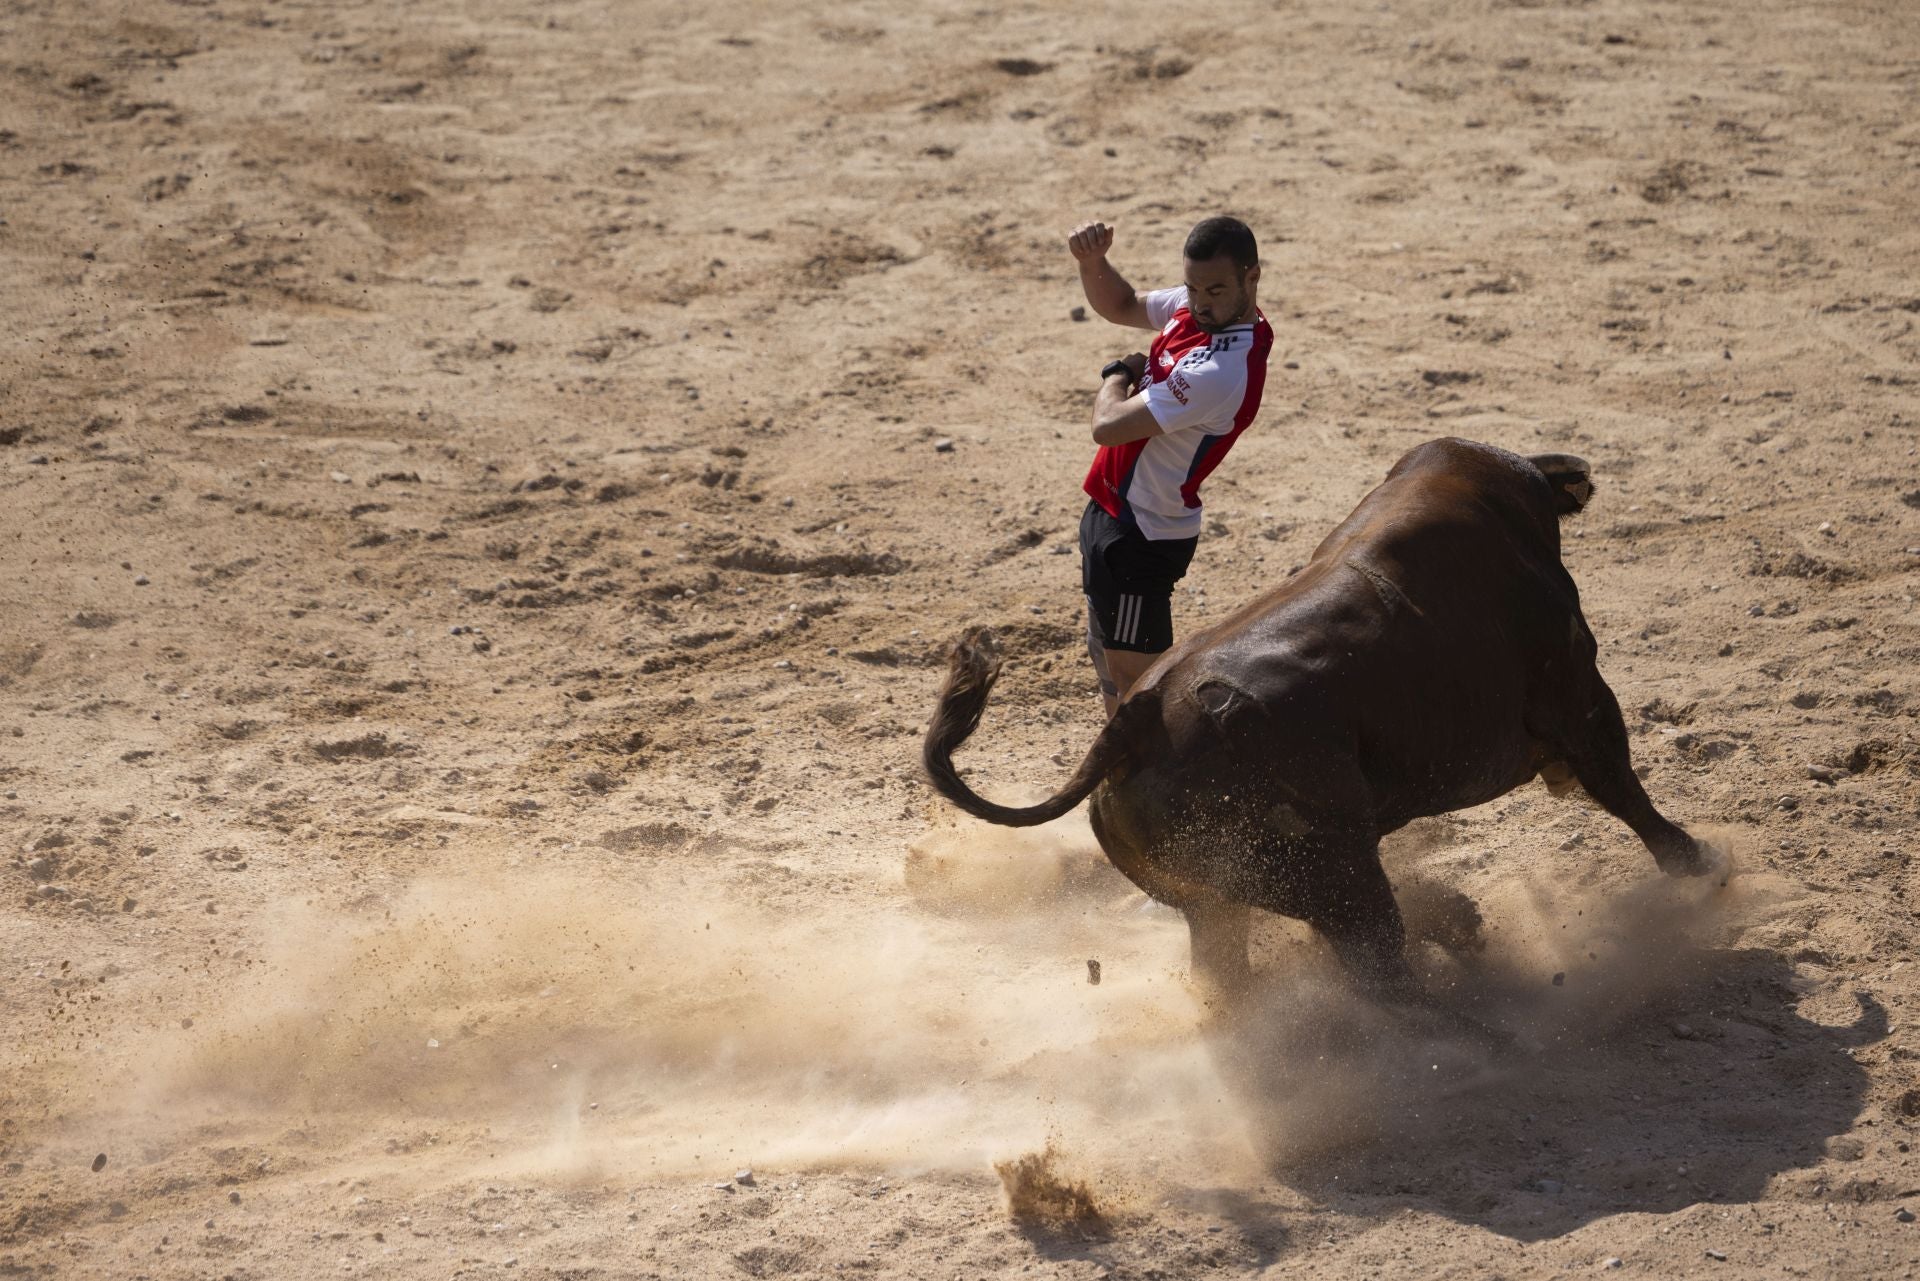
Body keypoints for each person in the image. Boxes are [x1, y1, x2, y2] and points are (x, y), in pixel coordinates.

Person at [1066, 215, 1272, 717]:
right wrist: (1093, 263)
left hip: (1144, 534)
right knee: (1111, 666)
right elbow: (1121, 304)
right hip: (1114, 509)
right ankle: (1120, 781)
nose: (1200, 301)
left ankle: (1163, 787)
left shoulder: (1220, 370)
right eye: (1193, 286)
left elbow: (1108, 425)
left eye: (1216, 289)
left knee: (1146, 691)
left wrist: (1119, 372)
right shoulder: (1194, 311)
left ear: (1252, 277)